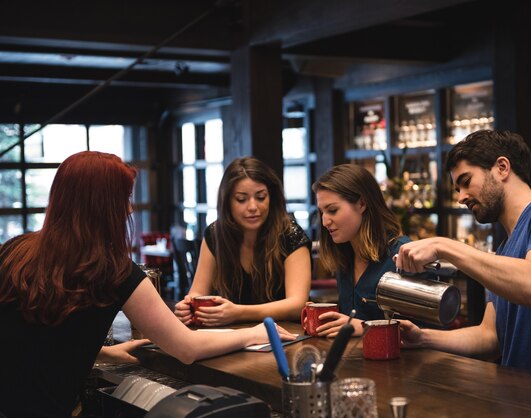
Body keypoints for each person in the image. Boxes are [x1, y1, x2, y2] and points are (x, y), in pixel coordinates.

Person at [0, 151, 295, 418]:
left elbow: (34, 337)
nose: (129, 209)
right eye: (124, 198)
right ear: (103, 205)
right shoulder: (111, 269)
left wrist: (99, 353)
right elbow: (186, 347)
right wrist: (251, 335)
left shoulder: (15, 250)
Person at [395, 130, 531, 385]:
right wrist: (423, 338)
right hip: (518, 395)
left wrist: (445, 246)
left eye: (466, 180)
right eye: (457, 188)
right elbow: (490, 337)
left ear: (502, 167)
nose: (461, 197)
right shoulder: (504, 251)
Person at [174, 157, 311, 327]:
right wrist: (188, 306)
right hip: (231, 338)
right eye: (241, 199)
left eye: (261, 197)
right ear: (227, 202)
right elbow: (197, 292)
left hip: (284, 337)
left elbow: (297, 305)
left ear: (271, 198)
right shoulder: (215, 234)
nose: (253, 207)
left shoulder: (290, 235)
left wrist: (238, 313)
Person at [309, 164, 410, 337]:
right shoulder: (344, 255)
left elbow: (426, 333)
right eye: (322, 212)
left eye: (332, 210)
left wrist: (365, 327)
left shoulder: (402, 254)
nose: (325, 221)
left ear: (362, 203)